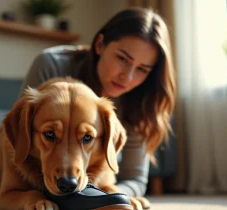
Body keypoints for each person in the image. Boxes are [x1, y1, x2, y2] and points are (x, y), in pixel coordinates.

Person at [19, 7, 176, 197]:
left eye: (142, 69)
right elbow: (21, 146)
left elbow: (135, 180)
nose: (127, 76)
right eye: (122, 58)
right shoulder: (51, 64)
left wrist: (106, 197)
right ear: (100, 44)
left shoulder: (140, 100)